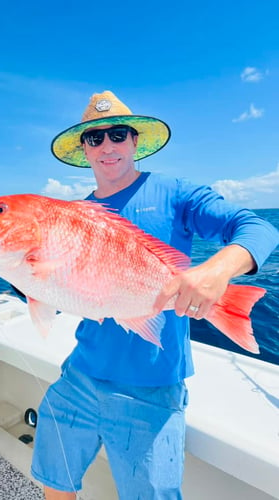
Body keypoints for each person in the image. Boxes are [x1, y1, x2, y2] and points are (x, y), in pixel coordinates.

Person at [30, 91, 279, 500]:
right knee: (54, 476)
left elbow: (257, 227)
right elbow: (70, 291)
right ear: (84, 149)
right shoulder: (72, 216)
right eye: (95, 138)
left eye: (118, 134)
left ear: (134, 142)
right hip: (79, 373)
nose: (107, 145)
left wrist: (217, 270)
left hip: (152, 385)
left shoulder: (174, 192)